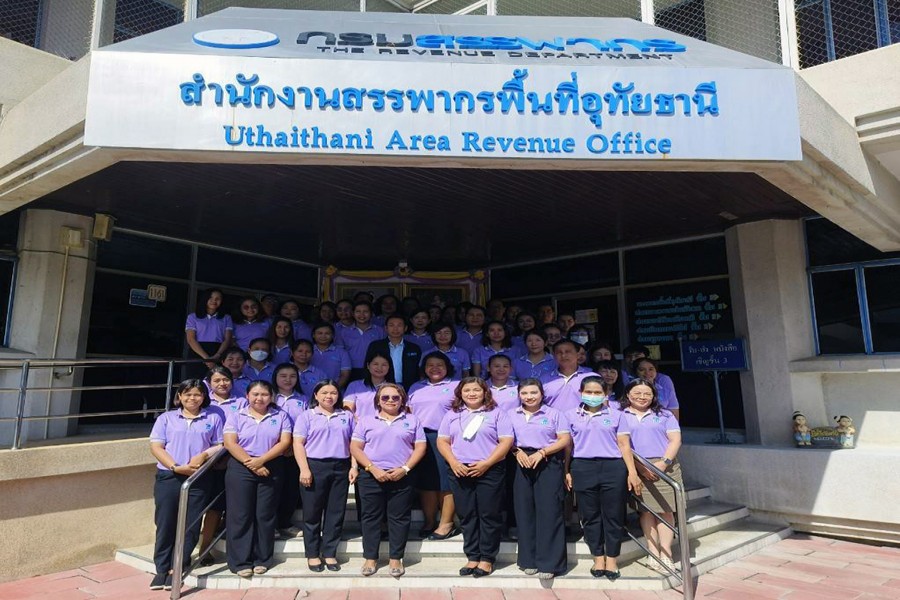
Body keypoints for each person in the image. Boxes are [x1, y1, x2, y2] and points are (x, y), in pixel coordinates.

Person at [149, 379, 224, 590]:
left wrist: (204, 455)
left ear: (204, 397)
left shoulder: (213, 418)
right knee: (165, 522)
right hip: (169, 476)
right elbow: (157, 447)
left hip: (199, 477)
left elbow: (220, 445)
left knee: (191, 523)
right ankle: (162, 568)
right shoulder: (166, 418)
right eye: (188, 394)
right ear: (180, 396)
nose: (193, 398)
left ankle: (179, 564)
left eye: (197, 394)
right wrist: (175, 467)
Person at [564, 376, 642, 580]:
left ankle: (612, 558)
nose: (593, 396)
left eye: (597, 392)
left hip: (613, 467)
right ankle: (598, 557)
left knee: (613, 514)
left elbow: (624, 445)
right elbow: (568, 446)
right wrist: (566, 470)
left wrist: (632, 472)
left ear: (606, 394)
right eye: (588, 392)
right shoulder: (570, 415)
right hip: (582, 466)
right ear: (581, 393)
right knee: (589, 515)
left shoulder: (617, 415)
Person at [437, 377, 514, 578]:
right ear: (460, 393)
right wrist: (454, 462)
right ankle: (472, 556)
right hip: (460, 469)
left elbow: (506, 441)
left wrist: (487, 463)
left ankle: (487, 558)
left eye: (476, 390)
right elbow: (442, 441)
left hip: (489, 469)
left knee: (489, 514)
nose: (472, 393)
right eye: (467, 390)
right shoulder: (452, 414)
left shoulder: (497, 413)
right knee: (467, 514)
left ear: (485, 392)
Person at [350, 383, 427, 578]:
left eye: (395, 397)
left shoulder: (412, 420)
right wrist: (372, 468)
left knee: (399, 517)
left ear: (402, 400)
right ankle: (370, 558)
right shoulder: (366, 421)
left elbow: (420, 447)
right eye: (385, 397)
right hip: (371, 475)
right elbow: (355, 447)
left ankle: (395, 558)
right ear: (378, 400)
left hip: (402, 475)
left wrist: (405, 468)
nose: (390, 400)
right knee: (370, 517)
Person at [223, 380, 292, 578]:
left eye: (264, 394)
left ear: (271, 397)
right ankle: (240, 561)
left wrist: (261, 461)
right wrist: (251, 463)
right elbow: (230, 443)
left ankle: (263, 558)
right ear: (247, 396)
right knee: (240, 514)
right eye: (255, 394)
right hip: (241, 467)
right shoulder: (236, 416)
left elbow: (284, 442)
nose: (259, 398)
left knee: (265, 514)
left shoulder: (280, 415)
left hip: (271, 465)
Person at [509, 378, 570, 579]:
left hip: (548, 460)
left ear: (542, 394)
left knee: (550, 510)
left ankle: (550, 563)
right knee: (524, 510)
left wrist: (542, 453)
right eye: (525, 393)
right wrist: (516, 451)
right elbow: (504, 439)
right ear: (519, 395)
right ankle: (528, 559)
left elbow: (564, 439)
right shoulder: (511, 414)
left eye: (533, 393)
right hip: (520, 460)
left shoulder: (554, 414)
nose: (529, 397)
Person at [293, 380, 356, 572]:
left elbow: (354, 443)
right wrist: (304, 469)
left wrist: (354, 466)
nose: (329, 396)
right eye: (324, 393)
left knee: (335, 512)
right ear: (316, 395)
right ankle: (312, 554)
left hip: (340, 466)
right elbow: (298, 444)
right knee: (312, 513)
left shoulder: (346, 416)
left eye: (333, 393)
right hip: (314, 466)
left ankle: (329, 552)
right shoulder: (307, 416)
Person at [621, 378, 683, 574]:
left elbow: (675, 440)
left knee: (666, 510)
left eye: (647, 393)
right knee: (646, 511)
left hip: (665, 466)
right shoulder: (621, 415)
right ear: (628, 394)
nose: (642, 397)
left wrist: (663, 464)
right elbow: (621, 444)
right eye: (637, 393)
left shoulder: (664, 414)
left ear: (654, 396)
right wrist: (639, 468)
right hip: (637, 466)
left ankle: (666, 553)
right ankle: (653, 552)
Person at [407, 352, 458, 540]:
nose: (435, 368)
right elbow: (408, 411)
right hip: (421, 438)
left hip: (446, 438)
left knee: (446, 483)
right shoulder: (416, 387)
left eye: (439, 365)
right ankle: (429, 522)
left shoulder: (456, 386)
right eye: (430, 365)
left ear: (447, 367)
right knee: (426, 483)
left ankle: (446, 523)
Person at [199, 366, 245, 562]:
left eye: (225, 379)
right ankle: (195, 548)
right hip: (206, 461)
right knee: (202, 507)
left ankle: (206, 548)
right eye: (216, 380)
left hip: (233, 458)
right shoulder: (203, 401)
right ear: (209, 383)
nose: (222, 384)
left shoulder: (242, 402)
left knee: (219, 506)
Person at [272, 364, 309, 539]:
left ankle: (285, 523)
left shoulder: (304, 399)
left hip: (295, 451)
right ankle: (271, 525)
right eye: (283, 376)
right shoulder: (269, 396)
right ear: (275, 377)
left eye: (292, 376)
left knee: (291, 489)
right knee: (273, 490)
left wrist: (292, 446)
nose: (288, 380)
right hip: (272, 451)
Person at [185, 288, 233, 378]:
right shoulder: (193, 317)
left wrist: (217, 356)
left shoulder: (226, 318)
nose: (214, 301)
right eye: (211, 298)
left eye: (218, 298)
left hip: (218, 352)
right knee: (195, 381)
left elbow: (227, 339)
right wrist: (207, 358)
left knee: (217, 380)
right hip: (197, 352)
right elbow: (191, 339)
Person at [365, 315, 422, 391]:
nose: (395, 329)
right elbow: (368, 366)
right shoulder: (376, 346)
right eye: (391, 325)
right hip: (381, 386)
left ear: (405, 328)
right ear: (386, 328)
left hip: (409, 388)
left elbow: (419, 370)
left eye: (399, 325)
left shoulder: (414, 348)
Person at [541, 340, 598, 413]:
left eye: (568, 352)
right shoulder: (544, 380)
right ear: (554, 356)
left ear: (577, 355)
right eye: (559, 352)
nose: (563, 356)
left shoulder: (592, 377)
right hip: (552, 419)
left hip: (584, 419)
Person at [338, 301, 386, 381]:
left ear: (371, 314)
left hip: (374, 369)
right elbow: (340, 353)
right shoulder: (344, 332)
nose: (362, 315)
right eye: (358, 312)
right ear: (353, 313)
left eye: (365, 312)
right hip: (350, 370)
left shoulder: (380, 331)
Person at [344, 352, 392, 422]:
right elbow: (348, 409)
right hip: (360, 426)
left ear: (389, 367)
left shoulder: (396, 388)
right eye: (375, 364)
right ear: (368, 365)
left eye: (384, 365)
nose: (379, 368)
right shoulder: (354, 386)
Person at [310, 322, 351, 389]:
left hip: (334, 391)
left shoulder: (342, 352)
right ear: (313, 335)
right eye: (320, 333)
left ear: (333, 336)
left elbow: (345, 375)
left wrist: (332, 390)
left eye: (327, 333)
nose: (323, 336)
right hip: (309, 391)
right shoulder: (307, 351)